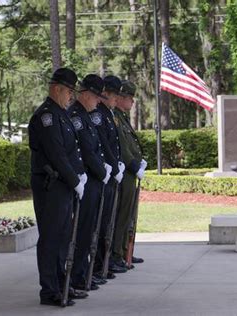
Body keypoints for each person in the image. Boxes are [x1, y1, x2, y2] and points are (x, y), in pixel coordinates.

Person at [28, 68, 88, 306]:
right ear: (56, 89)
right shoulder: (46, 117)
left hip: (63, 185)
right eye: (68, 92)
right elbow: (56, 154)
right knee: (51, 238)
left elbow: (71, 152)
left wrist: (77, 177)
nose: (70, 97)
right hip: (50, 185)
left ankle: (63, 283)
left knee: (63, 237)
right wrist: (75, 180)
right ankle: (50, 289)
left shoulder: (60, 114)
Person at [68, 74, 112, 291]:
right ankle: (77, 275)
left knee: (90, 229)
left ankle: (83, 272)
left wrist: (104, 168)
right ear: (85, 94)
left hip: (94, 180)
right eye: (96, 96)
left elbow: (97, 147)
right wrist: (101, 170)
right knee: (83, 230)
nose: (98, 101)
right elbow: (86, 149)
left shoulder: (87, 115)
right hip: (86, 180)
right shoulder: (76, 116)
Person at [91, 75, 127, 276]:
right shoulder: (99, 115)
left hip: (112, 173)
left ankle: (105, 262)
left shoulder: (109, 114)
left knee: (107, 222)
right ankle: (99, 265)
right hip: (104, 174)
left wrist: (117, 165)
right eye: (114, 96)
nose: (116, 100)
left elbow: (114, 145)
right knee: (100, 223)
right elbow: (103, 145)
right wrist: (113, 167)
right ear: (105, 94)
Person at [111, 80, 146, 270]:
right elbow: (123, 148)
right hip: (124, 174)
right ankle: (116, 253)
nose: (132, 102)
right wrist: (134, 165)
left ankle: (125, 250)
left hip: (130, 173)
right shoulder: (115, 118)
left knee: (129, 215)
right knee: (122, 215)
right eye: (130, 99)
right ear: (121, 98)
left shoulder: (122, 117)